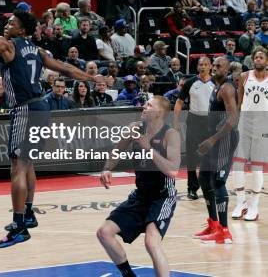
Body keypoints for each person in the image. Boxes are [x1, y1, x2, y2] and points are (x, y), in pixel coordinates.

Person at [0, 9, 101, 248]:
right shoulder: (39, 51)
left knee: (17, 168)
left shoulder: (9, 45)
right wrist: (92, 78)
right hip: (41, 108)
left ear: (22, 30)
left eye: (11, 23)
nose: (7, 25)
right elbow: (65, 69)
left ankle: (19, 226)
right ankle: (29, 213)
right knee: (28, 163)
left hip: (25, 109)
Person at [97, 96, 181, 277]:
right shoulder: (134, 128)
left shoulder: (170, 134)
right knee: (104, 232)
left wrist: (148, 148)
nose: (144, 106)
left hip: (162, 195)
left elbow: (173, 171)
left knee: (151, 242)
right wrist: (106, 169)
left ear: (159, 112)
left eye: (149, 105)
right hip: (141, 195)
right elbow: (117, 151)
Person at [192, 57, 238, 244]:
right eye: (214, 65)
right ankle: (213, 224)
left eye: (219, 66)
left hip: (224, 140)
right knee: (203, 177)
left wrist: (212, 139)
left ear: (226, 70)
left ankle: (224, 231)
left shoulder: (227, 88)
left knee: (218, 181)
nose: (214, 68)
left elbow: (233, 119)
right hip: (214, 139)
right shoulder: (216, 86)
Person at [231, 47, 268, 222]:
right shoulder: (245, 76)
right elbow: (239, 103)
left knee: (257, 168)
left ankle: (254, 205)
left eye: (261, 57)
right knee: (238, 165)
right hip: (244, 125)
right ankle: (241, 203)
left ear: (266, 61)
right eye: (256, 57)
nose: (258, 59)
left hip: (263, 127)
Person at [174, 57, 214, 200]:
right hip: (194, 120)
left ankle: (209, 185)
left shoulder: (216, 83)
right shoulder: (190, 82)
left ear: (211, 66)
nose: (203, 67)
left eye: (205, 64)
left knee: (209, 156)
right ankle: (192, 188)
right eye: (200, 64)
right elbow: (179, 103)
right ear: (197, 67)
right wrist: (177, 122)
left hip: (210, 121)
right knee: (192, 156)